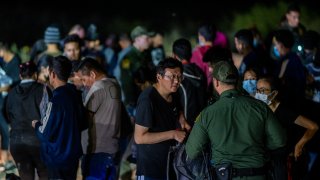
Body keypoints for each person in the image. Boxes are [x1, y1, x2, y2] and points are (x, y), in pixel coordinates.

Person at [186, 61, 286, 180]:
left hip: (224, 175)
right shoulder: (260, 107)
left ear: (216, 82)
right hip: (258, 175)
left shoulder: (207, 114)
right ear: (238, 81)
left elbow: (192, 151)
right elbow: (280, 140)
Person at [134, 58, 190, 179]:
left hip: (168, 164)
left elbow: (177, 109)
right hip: (150, 168)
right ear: (159, 77)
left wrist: (181, 118)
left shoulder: (173, 93)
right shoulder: (147, 100)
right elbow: (139, 137)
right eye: (171, 77)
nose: (176, 81)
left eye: (179, 77)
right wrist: (173, 134)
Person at [32, 55, 85, 179]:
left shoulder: (55, 101)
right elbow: (83, 123)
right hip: (73, 157)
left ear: (53, 74)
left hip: (57, 158)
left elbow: (45, 133)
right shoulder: (76, 96)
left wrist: (36, 125)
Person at [256, 77, 318, 180]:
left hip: (289, 162)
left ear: (274, 93)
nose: (259, 93)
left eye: (263, 90)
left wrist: (299, 145)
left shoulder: (284, 111)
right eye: (257, 90)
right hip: (274, 161)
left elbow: (313, 127)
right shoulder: (264, 110)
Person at [76, 57, 122, 179]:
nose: (84, 84)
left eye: (84, 79)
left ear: (92, 74)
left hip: (97, 150)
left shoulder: (98, 87)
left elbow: (85, 118)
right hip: (112, 149)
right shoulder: (114, 84)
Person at [6, 61, 48, 179]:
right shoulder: (43, 90)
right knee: (45, 175)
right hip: (38, 142)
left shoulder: (11, 93)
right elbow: (49, 115)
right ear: (35, 74)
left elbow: (8, 116)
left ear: (20, 76)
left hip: (17, 142)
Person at [172, 38, 207, 126]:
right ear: (191, 54)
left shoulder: (177, 76)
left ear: (175, 56)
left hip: (185, 125)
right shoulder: (200, 72)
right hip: (203, 121)